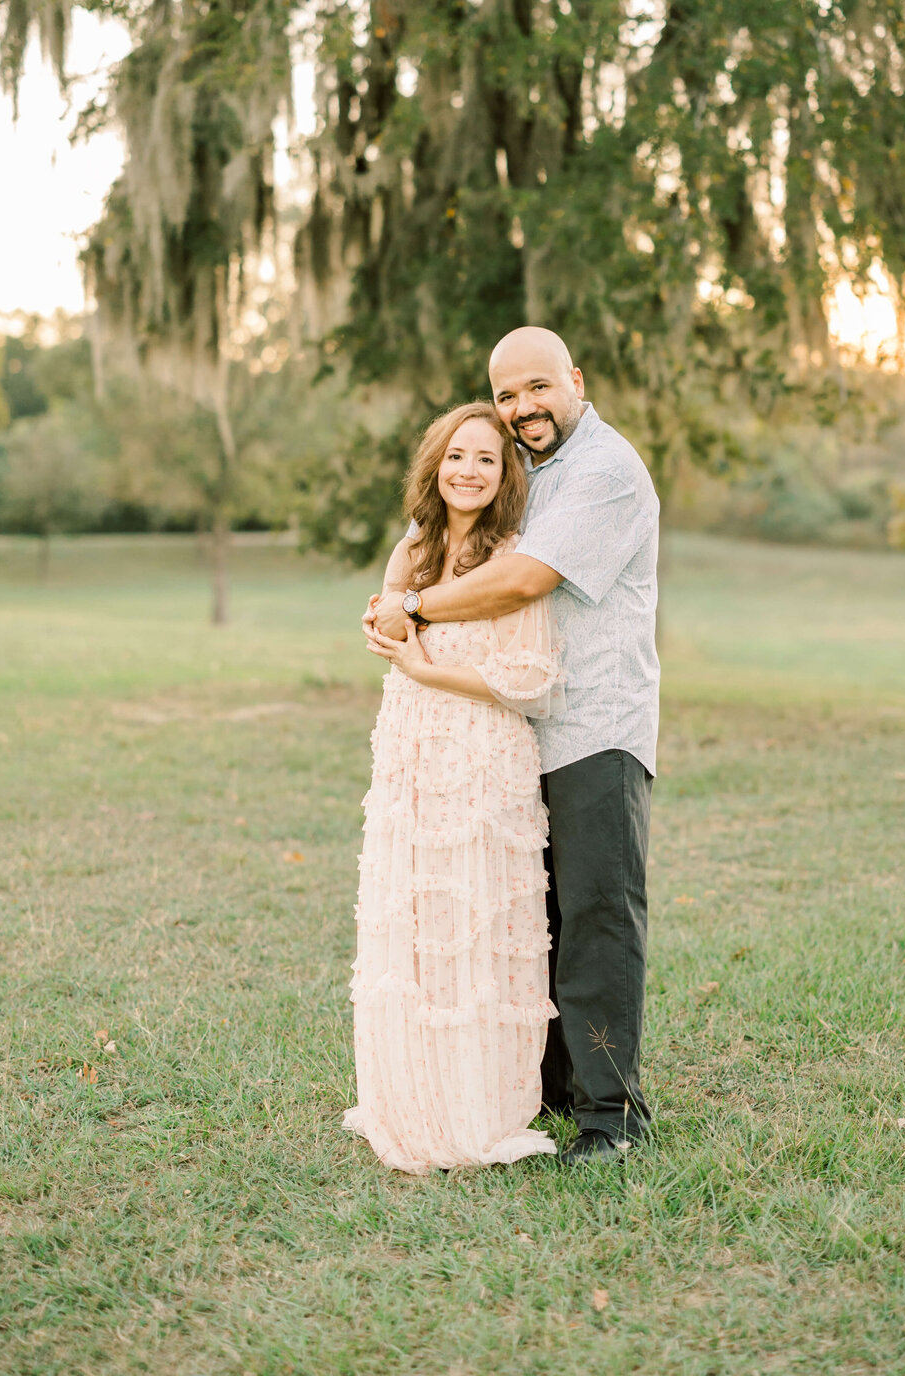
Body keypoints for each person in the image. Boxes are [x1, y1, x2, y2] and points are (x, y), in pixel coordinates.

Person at [369, 328, 659, 1166]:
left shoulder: (603, 470)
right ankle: (554, 1092)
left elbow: (526, 579)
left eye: (538, 388)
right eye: (506, 396)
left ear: (574, 380)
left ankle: (613, 1119)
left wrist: (414, 610)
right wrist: (396, 594)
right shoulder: (533, 471)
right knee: (544, 919)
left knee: (599, 917)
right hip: (518, 733)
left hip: (593, 724)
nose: (523, 408)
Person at [345, 401, 563, 1174]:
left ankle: (478, 1103)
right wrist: (392, 622)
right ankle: (412, 1094)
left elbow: (531, 678)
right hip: (410, 753)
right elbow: (387, 630)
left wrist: (426, 665)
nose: (469, 471)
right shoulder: (415, 548)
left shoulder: (513, 557)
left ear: (504, 477)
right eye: (456, 456)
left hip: (483, 754)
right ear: (435, 466)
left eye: (486, 460)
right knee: (416, 918)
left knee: (475, 924)